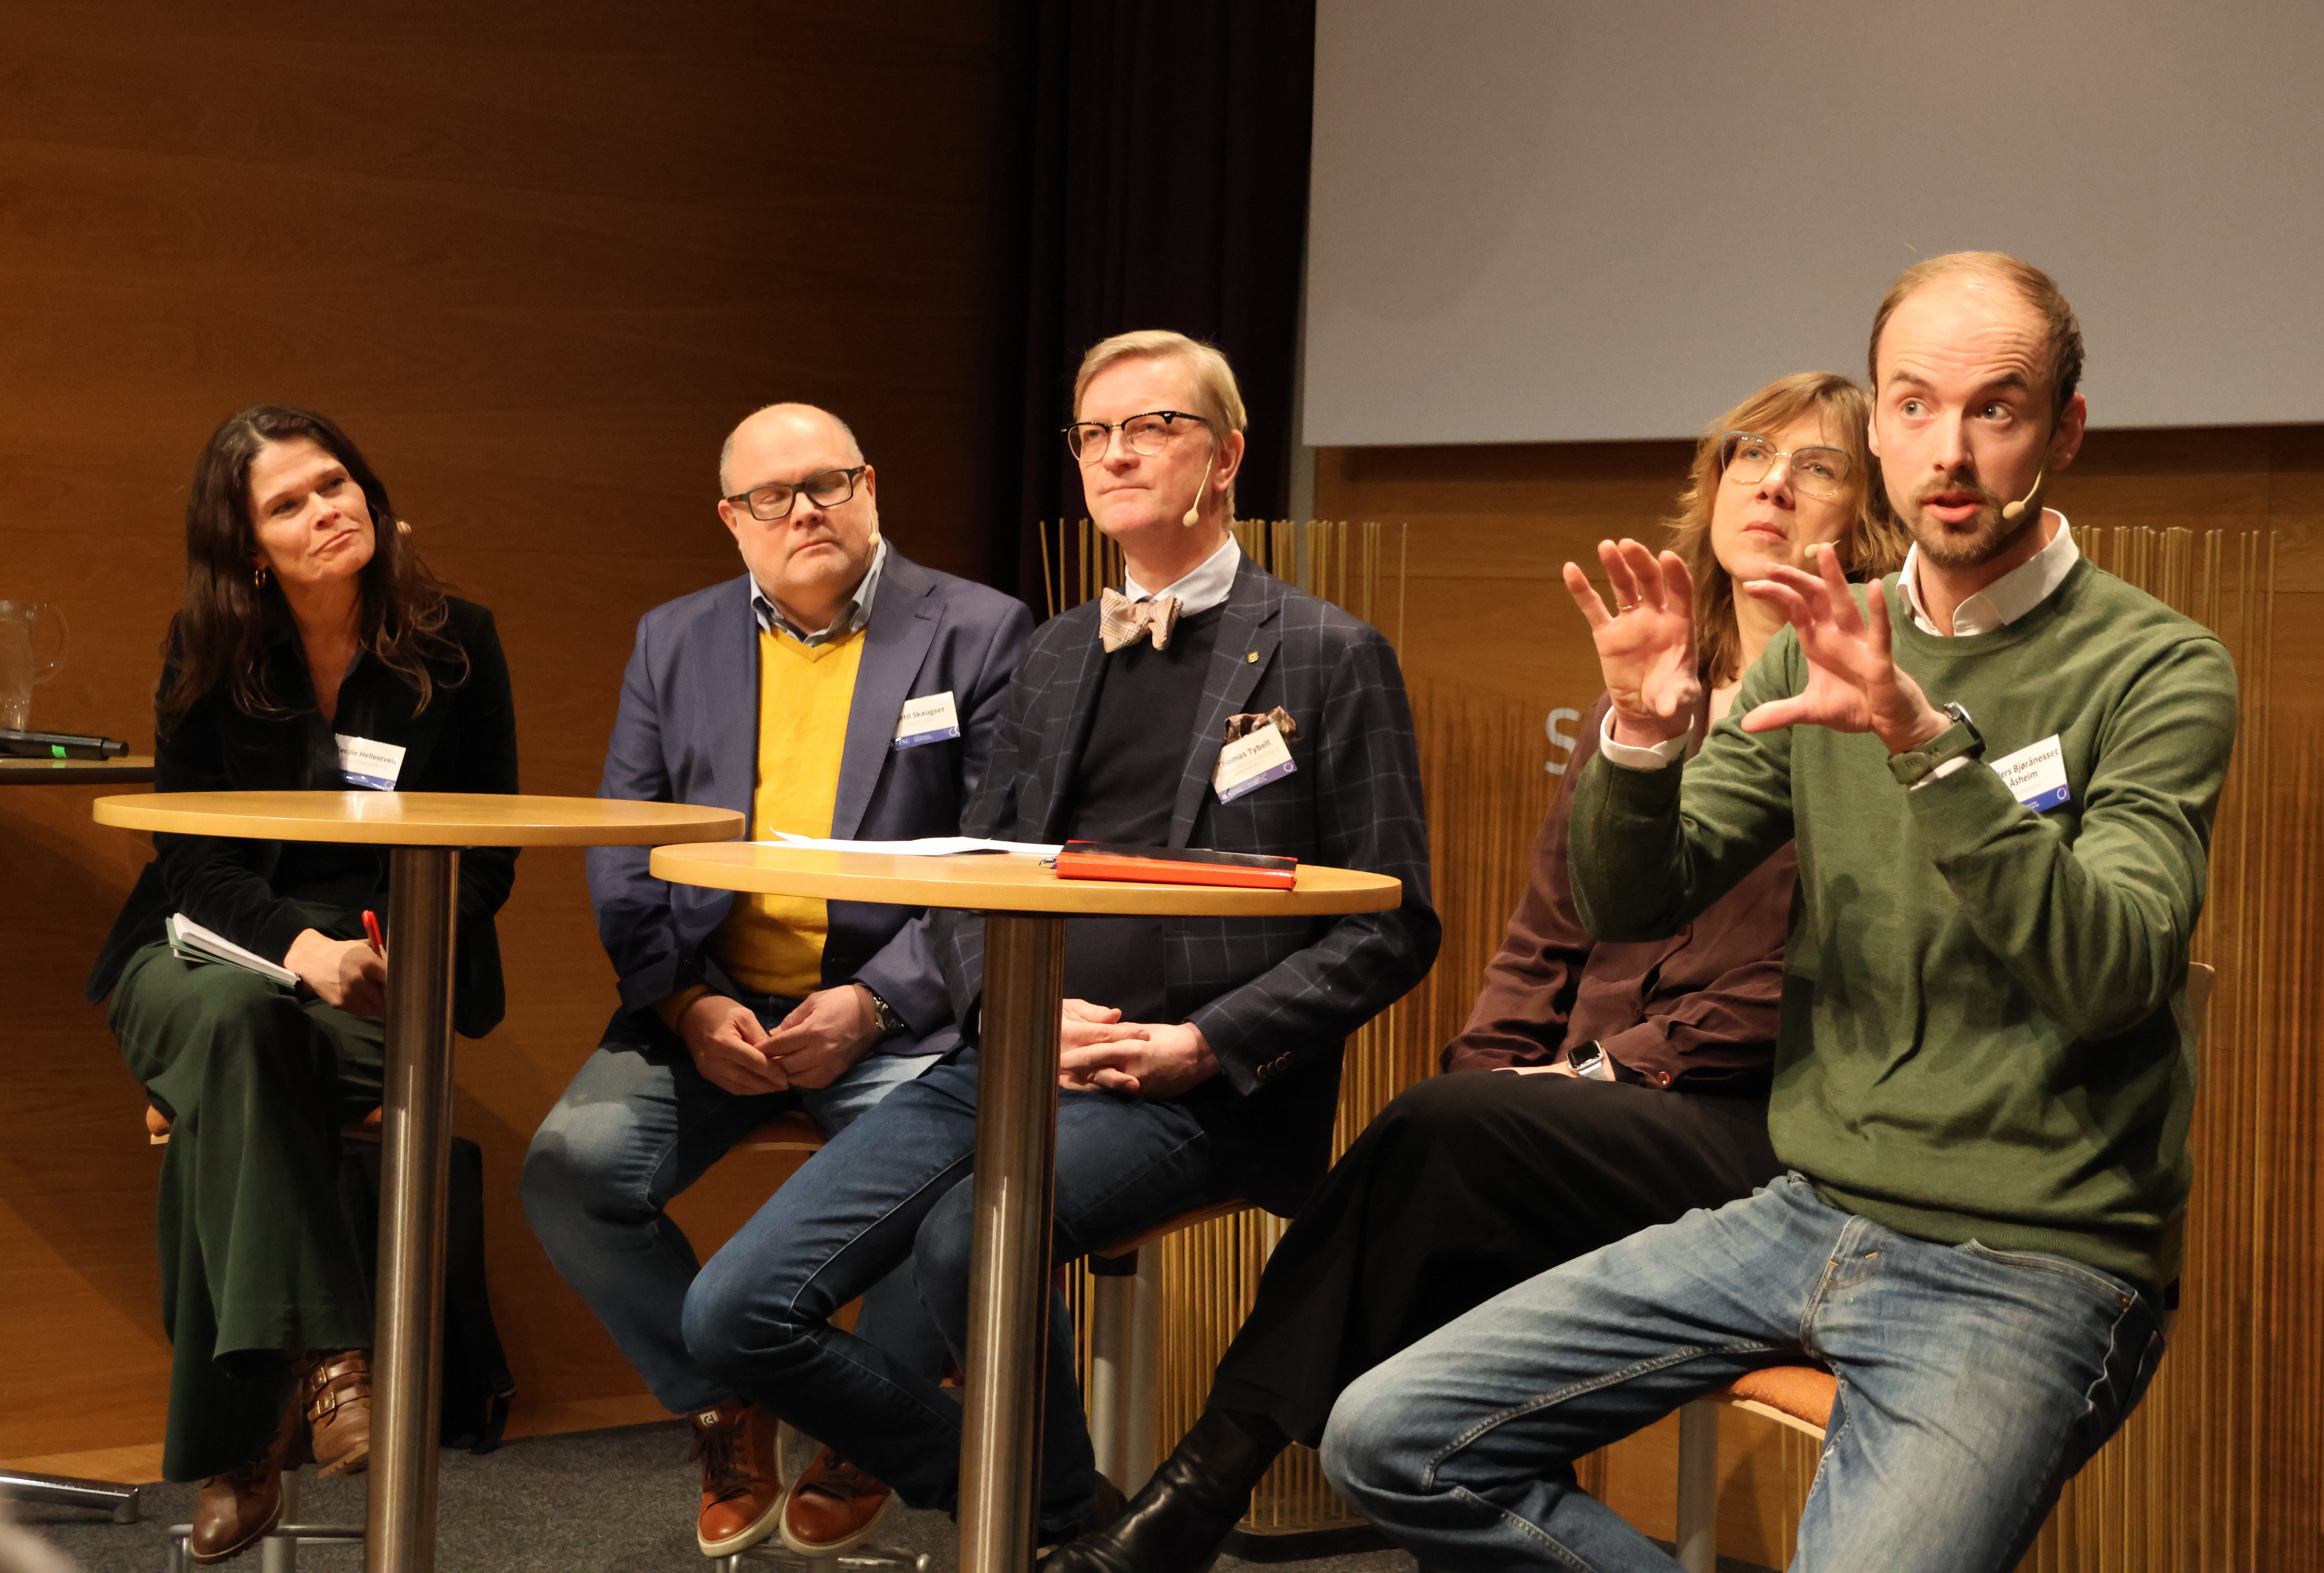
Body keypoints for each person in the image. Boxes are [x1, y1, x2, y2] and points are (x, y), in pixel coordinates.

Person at [1320, 253, 2240, 1573]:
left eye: (2000, 409)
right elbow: (1640, 893)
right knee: (1387, 1436)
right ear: (1877, 424)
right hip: (1805, 1210)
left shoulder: (2159, 664)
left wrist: (1927, 744)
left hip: (2034, 1258)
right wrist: (1641, 742)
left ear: (2067, 429)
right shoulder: (1823, 638)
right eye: (1915, 407)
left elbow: (2114, 972)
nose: (1953, 453)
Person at [1050, 371, 1904, 1573]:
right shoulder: (1650, 695)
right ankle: (1237, 1504)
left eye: (1815, 465)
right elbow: (1545, 934)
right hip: (1571, 1109)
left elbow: (1815, 975)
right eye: (1748, 454)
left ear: (1867, 512)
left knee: (1448, 1149)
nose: (1768, 482)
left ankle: (1197, 1498)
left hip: (1761, 1129)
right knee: (1458, 1146)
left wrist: (1594, 1075)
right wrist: (1510, 1069)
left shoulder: (1870, 711)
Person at [676, 329, 1441, 1549]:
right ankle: (1050, 1507)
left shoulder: (1328, 654)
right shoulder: (1047, 657)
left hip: (1195, 1088)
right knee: (731, 1312)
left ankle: (1030, 1525)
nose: (1119, 452)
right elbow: (974, 883)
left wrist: (1202, 1042)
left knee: (969, 1241)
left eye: (1156, 427)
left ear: (1228, 457)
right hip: (1010, 1058)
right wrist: (1008, 1017)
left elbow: (1392, 924)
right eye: (1096, 433)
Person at [520, 404, 1032, 1560]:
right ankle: (719, 1399)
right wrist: (686, 1003)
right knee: (570, 1172)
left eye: (829, 483)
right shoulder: (674, 639)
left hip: (898, 1012)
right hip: (711, 1007)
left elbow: (1008, 860)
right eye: (771, 497)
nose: (805, 510)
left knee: (960, 1196)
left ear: (870, 488)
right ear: (731, 521)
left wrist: (880, 1003)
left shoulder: (982, 633)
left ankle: (876, 1420)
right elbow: (626, 844)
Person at [85, 406, 520, 1565]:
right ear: (248, 548)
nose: (326, 510)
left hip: (384, 972)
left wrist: (404, 955)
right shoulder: (211, 647)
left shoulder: (457, 646)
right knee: (236, 1025)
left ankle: (243, 1442)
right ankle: (334, 1358)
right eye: (289, 504)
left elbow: (494, 857)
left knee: (242, 1085)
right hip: (200, 953)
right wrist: (300, 951)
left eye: (335, 484)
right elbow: (190, 859)